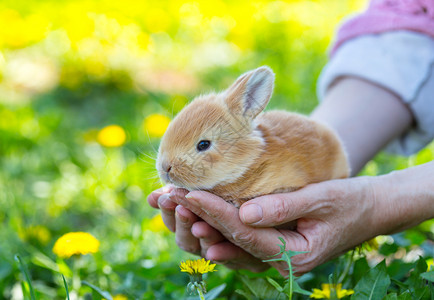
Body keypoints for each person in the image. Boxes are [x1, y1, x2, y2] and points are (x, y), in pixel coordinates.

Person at [147, 0, 434, 276]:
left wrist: (378, 203)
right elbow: (413, 23)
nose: (167, 168)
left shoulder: (266, 169)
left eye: (203, 146)